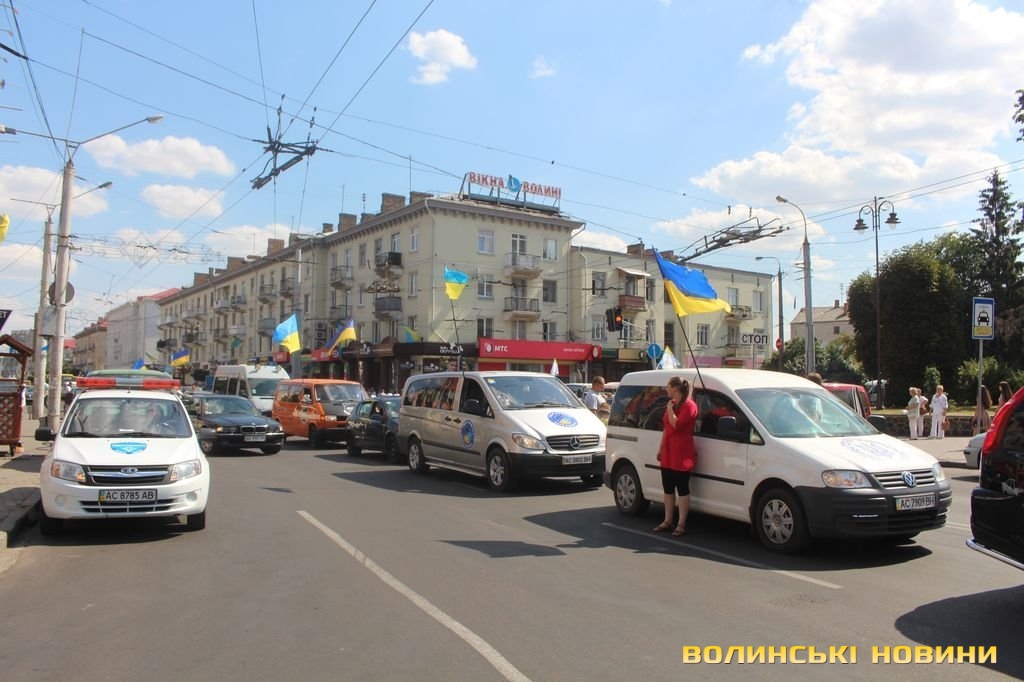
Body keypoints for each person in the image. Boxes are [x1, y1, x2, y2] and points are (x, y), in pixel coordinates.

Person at [652, 376, 698, 536]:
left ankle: (681, 523)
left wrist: (670, 409)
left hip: (682, 452)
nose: (666, 389)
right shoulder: (672, 403)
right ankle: (667, 520)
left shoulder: (690, 405)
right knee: (668, 487)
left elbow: (676, 424)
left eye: (668, 386)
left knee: (682, 487)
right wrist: (660, 448)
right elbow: (666, 428)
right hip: (669, 450)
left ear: (676, 388)